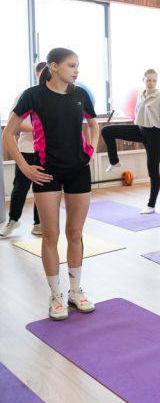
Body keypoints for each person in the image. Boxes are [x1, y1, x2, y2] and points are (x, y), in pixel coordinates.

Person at [3, 48, 100, 320]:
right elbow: (8, 133)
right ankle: (55, 296)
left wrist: (91, 151)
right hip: (47, 172)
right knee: (50, 235)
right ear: (54, 66)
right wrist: (25, 167)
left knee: (75, 233)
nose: (76, 70)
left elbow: (94, 125)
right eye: (71, 65)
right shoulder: (33, 95)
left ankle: (75, 291)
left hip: (78, 170)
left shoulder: (81, 95)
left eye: (77, 65)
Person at [100, 69, 160, 214]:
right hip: (139, 129)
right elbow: (139, 115)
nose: (151, 83)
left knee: (153, 171)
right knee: (107, 131)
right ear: (143, 80)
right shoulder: (141, 94)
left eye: (154, 80)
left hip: (154, 135)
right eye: (148, 80)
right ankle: (114, 161)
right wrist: (130, 137)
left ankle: (151, 205)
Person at [1, 62, 46, 237]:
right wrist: (39, 129)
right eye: (41, 74)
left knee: (42, 186)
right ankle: (13, 220)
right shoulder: (26, 95)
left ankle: (39, 223)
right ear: (36, 75)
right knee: (20, 187)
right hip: (26, 149)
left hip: (46, 150)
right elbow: (13, 125)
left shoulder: (53, 96)